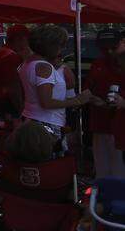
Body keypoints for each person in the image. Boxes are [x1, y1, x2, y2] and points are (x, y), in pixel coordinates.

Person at [19, 25, 96, 155]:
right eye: (61, 45)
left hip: (33, 118)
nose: (63, 49)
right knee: (51, 162)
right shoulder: (44, 67)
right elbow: (47, 102)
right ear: (51, 46)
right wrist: (77, 100)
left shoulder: (27, 63)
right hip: (46, 122)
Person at [89, 29, 125, 177]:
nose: (109, 51)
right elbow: (88, 89)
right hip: (102, 124)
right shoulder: (98, 63)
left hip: (121, 130)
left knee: (120, 173)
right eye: (104, 48)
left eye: (113, 47)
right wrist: (92, 98)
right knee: (103, 173)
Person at [0, 24, 31, 119]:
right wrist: (21, 109)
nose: (28, 44)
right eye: (27, 40)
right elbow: (13, 86)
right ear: (19, 39)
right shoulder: (11, 57)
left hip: (2, 102)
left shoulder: (0, 53)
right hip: (10, 105)